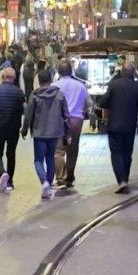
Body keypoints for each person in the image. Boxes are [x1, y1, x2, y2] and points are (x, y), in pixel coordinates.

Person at [23, 70, 70, 200]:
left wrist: (24, 129)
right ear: (51, 79)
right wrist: (67, 132)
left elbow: (28, 115)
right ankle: (48, 184)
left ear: (38, 80)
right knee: (50, 158)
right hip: (55, 132)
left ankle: (44, 181)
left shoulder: (35, 95)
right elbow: (66, 115)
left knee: (38, 159)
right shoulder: (60, 94)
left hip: (39, 132)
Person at [100, 62, 138, 193]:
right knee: (127, 153)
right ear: (133, 72)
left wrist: (99, 101)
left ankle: (121, 180)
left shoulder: (114, 85)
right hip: (130, 126)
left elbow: (104, 102)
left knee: (116, 153)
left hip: (114, 125)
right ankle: (125, 178)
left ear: (122, 71)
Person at [53, 60, 89, 189]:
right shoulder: (80, 86)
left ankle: (60, 177)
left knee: (58, 150)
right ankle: (70, 177)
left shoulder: (54, 86)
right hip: (76, 121)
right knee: (72, 150)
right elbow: (87, 104)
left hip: (59, 121)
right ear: (71, 71)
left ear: (59, 72)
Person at [0, 67, 25, 193]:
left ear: (2, 77)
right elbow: (22, 109)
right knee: (11, 154)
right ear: (14, 78)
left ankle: (2, 173)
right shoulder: (19, 92)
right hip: (14, 127)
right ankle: (10, 182)